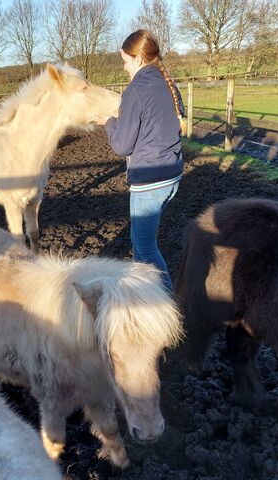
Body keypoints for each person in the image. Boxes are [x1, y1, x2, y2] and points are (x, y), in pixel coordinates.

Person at [101, 29, 186, 292]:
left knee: (144, 250)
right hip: (172, 175)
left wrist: (108, 122)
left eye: (125, 61)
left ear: (137, 60)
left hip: (150, 181)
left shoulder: (135, 90)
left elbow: (122, 145)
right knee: (144, 242)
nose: (125, 68)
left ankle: (164, 305)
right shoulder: (168, 83)